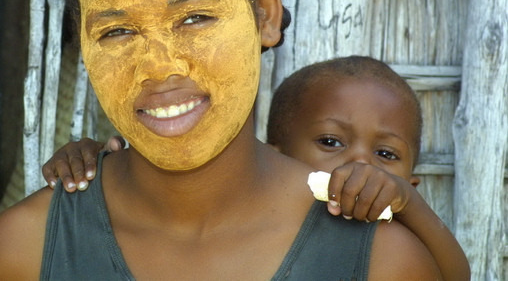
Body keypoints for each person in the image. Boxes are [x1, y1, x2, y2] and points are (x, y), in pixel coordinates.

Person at [0, 0, 441, 280]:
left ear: (265, 13)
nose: (158, 66)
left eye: (194, 18)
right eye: (117, 31)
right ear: (84, 46)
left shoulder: (381, 260)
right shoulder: (24, 251)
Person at [42, 55, 469, 281]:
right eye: (330, 142)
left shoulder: (391, 244)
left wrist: (409, 206)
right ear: (275, 154)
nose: (360, 163)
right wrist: (89, 158)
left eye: (387, 155)